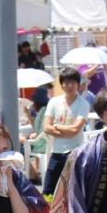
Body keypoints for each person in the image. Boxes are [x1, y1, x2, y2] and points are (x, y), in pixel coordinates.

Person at [42, 66, 90, 195]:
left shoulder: (83, 104)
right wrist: (66, 132)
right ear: (61, 84)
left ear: (78, 84)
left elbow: (75, 129)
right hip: (56, 152)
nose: (69, 86)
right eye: (66, 82)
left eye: (73, 82)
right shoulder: (54, 102)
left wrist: (57, 126)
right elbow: (46, 127)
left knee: (73, 190)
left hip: (75, 152)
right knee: (49, 190)